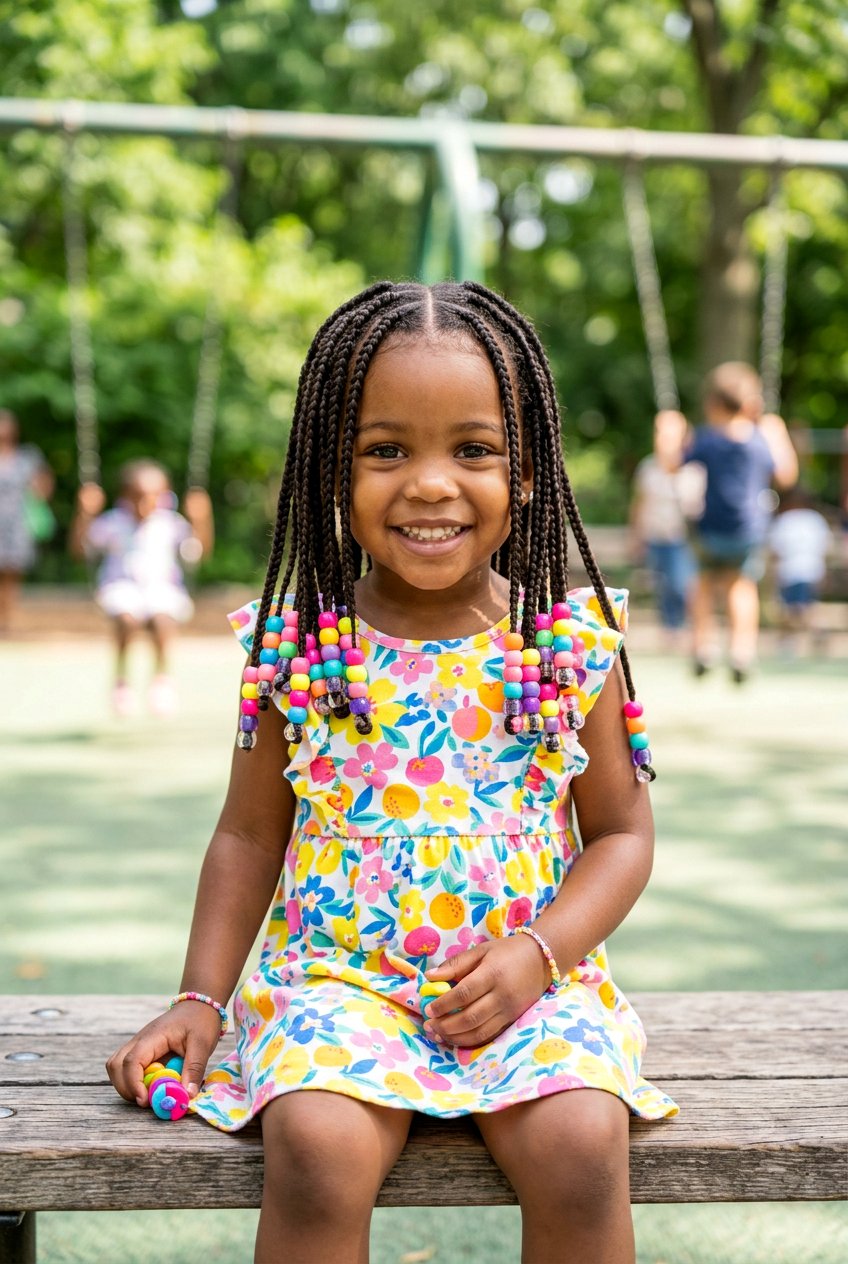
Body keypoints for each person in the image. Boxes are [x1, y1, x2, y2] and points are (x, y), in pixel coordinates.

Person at [106, 281, 677, 1264]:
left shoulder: (566, 644)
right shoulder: (297, 648)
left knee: (581, 1143)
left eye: (471, 449)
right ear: (332, 469)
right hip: (338, 986)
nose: (427, 483)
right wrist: (200, 997)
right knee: (318, 1145)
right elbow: (247, 836)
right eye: (384, 450)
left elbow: (622, 835)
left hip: (524, 985)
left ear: (527, 473)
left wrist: (536, 956)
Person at [70, 459, 213, 715]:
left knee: (162, 619)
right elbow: (80, 550)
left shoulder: (171, 523)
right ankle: (122, 680)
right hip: (121, 588)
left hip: (163, 589)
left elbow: (198, 553)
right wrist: (84, 513)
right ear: (125, 496)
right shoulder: (112, 522)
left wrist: (202, 519)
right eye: (138, 497)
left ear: (164, 496)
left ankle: (161, 679)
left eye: (153, 497)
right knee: (127, 618)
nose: (145, 503)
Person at [683, 362, 795, 683]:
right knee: (741, 586)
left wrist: (669, 432)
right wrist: (779, 433)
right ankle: (742, 651)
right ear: (751, 404)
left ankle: (703, 646)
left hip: (709, 528)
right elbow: (786, 476)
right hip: (748, 530)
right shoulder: (761, 439)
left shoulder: (706, 439)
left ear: (713, 404)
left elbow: (674, 463)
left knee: (703, 583)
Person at [629, 409, 705, 649]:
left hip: (681, 537)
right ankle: (670, 629)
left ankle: (684, 627)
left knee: (680, 583)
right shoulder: (648, 467)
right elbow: (639, 503)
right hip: (655, 534)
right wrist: (636, 535)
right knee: (662, 583)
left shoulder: (693, 470)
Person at [0, 408, 55, 636]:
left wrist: (38, 496)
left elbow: (43, 482)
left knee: (12, 574)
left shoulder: (27, 456)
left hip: (17, 522)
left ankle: (6, 621)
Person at [768, 486, 832, 653]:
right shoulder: (816, 520)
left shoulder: (785, 520)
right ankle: (815, 633)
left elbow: (775, 550)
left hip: (789, 571)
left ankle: (790, 642)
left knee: (792, 610)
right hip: (812, 570)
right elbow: (824, 548)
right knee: (805, 606)